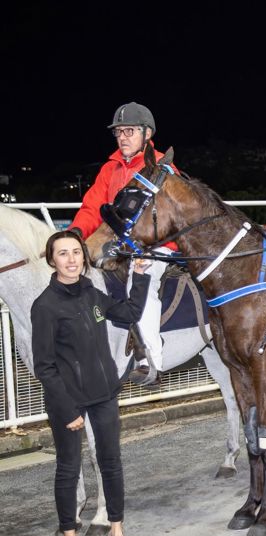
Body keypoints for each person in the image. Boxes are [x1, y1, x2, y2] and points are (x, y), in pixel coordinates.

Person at [31, 230, 151, 536]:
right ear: (52, 260)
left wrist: (139, 276)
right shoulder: (45, 306)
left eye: (76, 252)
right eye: (63, 253)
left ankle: (117, 531)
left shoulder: (92, 294)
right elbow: (44, 366)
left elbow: (129, 313)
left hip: (104, 393)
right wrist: (68, 409)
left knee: (111, 462)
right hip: (67, 401)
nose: (71, 259)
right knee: (68, 469)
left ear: (83, 257)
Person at [69, 102, 174, 387]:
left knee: (140, 281)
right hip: (117, 242)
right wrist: (75, 232)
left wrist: (136, 245)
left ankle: (150, 361)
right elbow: (92, 207)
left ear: (147, 134)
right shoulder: (110, 169)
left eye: (129, 131)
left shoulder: (162, 167)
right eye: (118, 132)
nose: (122, 137)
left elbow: (167, 216)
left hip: (155, 244)